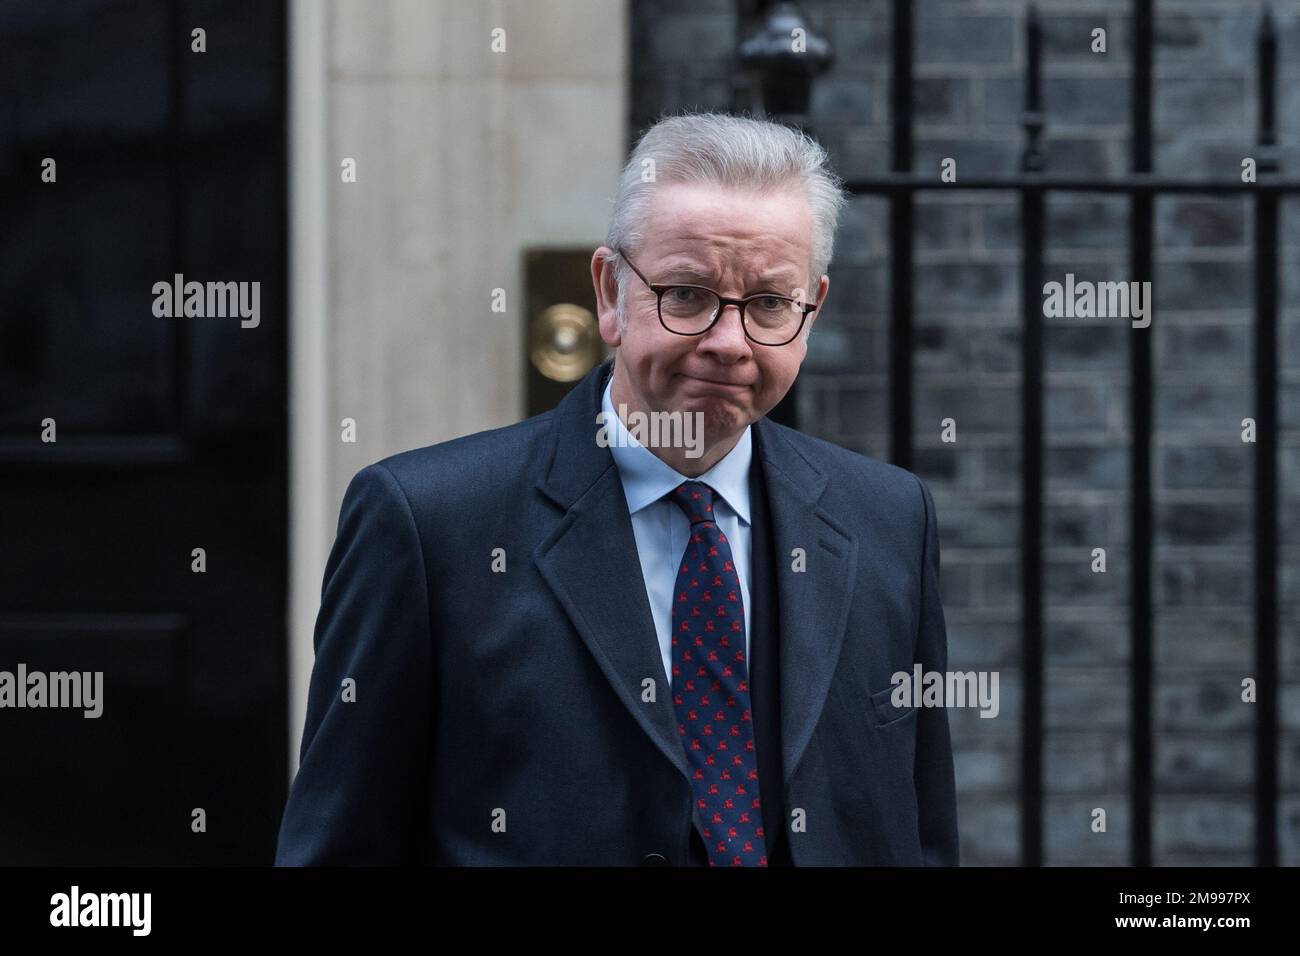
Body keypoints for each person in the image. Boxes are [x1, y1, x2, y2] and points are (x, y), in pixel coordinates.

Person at [275, 111, 958, 866]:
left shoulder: (891, 518)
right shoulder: (427, 523)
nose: (727, 344)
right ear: (609, 293)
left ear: (810, 312)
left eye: (768, 304)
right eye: (688, 295)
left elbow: (920, 833)